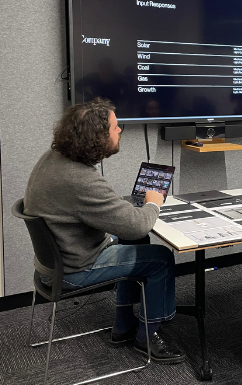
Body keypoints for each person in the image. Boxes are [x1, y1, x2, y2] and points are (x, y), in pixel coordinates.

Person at [22, 98, 180, 363]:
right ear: (96, 137)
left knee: (136, 239)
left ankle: (122, 326)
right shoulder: (80, 180)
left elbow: (92, 209)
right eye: (115, 127)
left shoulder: (54, 159)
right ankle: (147, 337)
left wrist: (120, 206)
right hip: (74, 269)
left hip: (57, 260)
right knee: (160, 259)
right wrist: (153, 203)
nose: (120, 131)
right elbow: (139, 222)